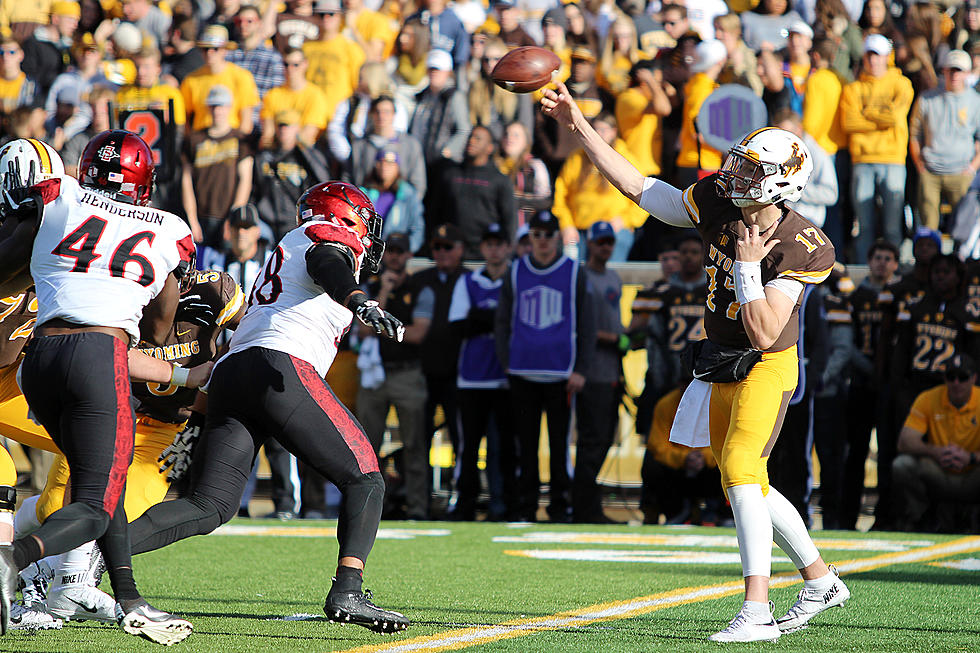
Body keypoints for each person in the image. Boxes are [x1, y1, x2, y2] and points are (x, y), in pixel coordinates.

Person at [541, 81, 847, 641]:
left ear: (783, 184)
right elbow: (640, 188)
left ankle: (757, 611)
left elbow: (762, 330)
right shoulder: (718, 201)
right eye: (740, 164)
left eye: (752, 171)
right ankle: (821, 579)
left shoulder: (805, 244)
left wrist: (749, 268)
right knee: (744, 477)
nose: (736, 176)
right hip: (719, 359)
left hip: (765, 363)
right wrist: (578, 124)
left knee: (737, 470)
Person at [123, 182, 411, 633]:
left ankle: (89, 555)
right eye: (364, 222)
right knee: (366, 477)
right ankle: (348, 591)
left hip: (233, 372)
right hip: (278, 363)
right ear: (342, 217)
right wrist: (360, 301)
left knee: (209, 504)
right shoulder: (324, 238)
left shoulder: (288, 245)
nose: (370, 235)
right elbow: (328, 261)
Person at [0, 130, 205, 643]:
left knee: (100, 485)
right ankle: (13, 560)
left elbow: (7, 265)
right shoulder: (168, 227)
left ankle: (129, 599)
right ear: (146, 182)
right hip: (100, 355)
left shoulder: (60, 197)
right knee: (93, 503)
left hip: (39, 357)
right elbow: (159, 328)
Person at [14, 267, 245, 626]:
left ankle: (52, 577)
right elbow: (104, 355)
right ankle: (43, 573)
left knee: (124, 511)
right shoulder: (115, 294)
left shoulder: (217, 291)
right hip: (113, 407)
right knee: (63, 506)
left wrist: (199, 419)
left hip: (166, 428)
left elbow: (248, 338)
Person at [495, 210, 595, 523]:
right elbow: (502, 320)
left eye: (547, 234)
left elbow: (587, 325)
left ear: (557, 237)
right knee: (525, 444)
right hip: (523, 372)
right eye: (535, 234)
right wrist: (506, 362)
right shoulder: (515, 271)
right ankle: (525, 506)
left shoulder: (573, 271)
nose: (541, 241)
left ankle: (559, 506)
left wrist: (580, 368)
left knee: (558, 445)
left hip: (561, 373)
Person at [356, 232, 432, 520]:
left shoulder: (419, 288)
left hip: (406, 375)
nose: (395, 257)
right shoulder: (373, 287)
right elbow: (363, 329)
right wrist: (384, 295)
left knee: (414, 446)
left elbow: (419, 333)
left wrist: (384, 328)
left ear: (409, 255)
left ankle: (417, 510)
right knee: (366, 447)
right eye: (391, 251)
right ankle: (367, 511)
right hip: (375, 374)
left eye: (401, 251)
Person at [446, 223, 515, 521]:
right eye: (490, 243)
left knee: (503, 449)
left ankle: (502, 505)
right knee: (468, 448)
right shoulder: (469, 281)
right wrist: (498, 319)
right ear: (483, 248)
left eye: (500, 243)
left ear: (507, 247)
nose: (495, 249)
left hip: (505, 378)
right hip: (472, 378)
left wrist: (483, 317)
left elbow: (515, 323)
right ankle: (466, 505)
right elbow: (459, 326)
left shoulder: (515, 279)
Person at [840, 34, 914, 262]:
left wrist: (866, 113)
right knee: (864, 225)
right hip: (862, 160)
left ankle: (894, 271)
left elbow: (894, 118)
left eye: (878, 56)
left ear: (887, 57)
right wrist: (879, 119)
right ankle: (864, 272)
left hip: (893, 158)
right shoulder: (853, 89)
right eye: (869, 56)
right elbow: (848, 123)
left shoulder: (901, 84)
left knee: (892, 224)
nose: (873, 61)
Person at [842, 239, 899, 530]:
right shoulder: (856, 296)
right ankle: (847, 518)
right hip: (861, 381)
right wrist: (866, 368)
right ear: (870, 259)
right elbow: (846, 341)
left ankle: (885, 518)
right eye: (878, 257)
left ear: (896, 264)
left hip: (889, 385)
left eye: (888, 258)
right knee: (856, 452)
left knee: (888, 452)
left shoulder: (900, 295)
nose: (882, 263)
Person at [893, 353, 980, 532]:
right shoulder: (928, 398)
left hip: (973, 474)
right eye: (951, 377)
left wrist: (971, 457)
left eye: (962, 377)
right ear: (944, 378)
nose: (956, 383)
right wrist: (937, 452)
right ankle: (921, 518)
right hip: (940, 471)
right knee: (902, 465)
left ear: (974, 379)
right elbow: (904, 441)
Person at [573, 221, 623, 524]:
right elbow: (582, 328)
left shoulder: (614, 278)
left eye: (609, 242)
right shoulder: (580, 277)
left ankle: (588, 504)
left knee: (603, 439)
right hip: (590, 371)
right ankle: (583, 507)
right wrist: (614, 338)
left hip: (611, 369)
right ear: (588, 244)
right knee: (592, 441)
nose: (605, 247)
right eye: (599, 242)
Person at [551, 111, 645, 262]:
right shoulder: (577, 158)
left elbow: (644, 195)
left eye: (603, 130)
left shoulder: (625, 158)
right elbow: (561, 196)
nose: (598, 134)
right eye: (595, 129)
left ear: (614, 132)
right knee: (574, 268)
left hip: (613, 229)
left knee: (609, 268)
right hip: (579, 228)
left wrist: (624, 221)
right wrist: (566, 225)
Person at [909, 49, 980, 233]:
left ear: (966, 73)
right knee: (928, 228)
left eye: (959, 70)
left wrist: (972, 167)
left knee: (962, 228)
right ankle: (929, 262)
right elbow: (915, 134)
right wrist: (920, 165)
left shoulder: (975, 101)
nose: (954, 75)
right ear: (944, 71)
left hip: (961, 172)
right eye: (951, 70)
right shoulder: (927, 98)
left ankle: (962, 262)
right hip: (931, 171)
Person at [182, 85, 254, 246]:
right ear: (208, 108)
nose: (217, 111)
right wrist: (192, 220)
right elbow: (186, 182)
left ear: (229, 107)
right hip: (200, 216)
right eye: (214, 106)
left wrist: (233, 218)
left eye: (221, 106)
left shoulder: (241, 140)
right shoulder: (194, 139)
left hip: (227, 217)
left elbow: (245, 181)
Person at [431, 126, 516, 258]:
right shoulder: (449, 174)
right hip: (450, 252)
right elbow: (434, 213)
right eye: (470, 137)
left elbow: (509, 220)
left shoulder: (500, 180)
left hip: (485, 253)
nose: (472, 141)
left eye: (478, 138)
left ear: (490, 148)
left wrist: (508, 251)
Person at [251, 109, 328, 243]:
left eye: (288, 126)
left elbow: (323, 180)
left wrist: (304, 150)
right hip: (267, 221)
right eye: (281, 125)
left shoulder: (308, 157)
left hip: (296, 222)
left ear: (297, 128)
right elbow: (255, 189)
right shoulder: (264, 157)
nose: (284, 130)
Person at [180, 25, 260, 135]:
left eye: (215, 49)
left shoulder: (242, 77)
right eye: (205, 49)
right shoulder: (191, 80)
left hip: (231, 139)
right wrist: (191, 143)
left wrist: (240, 144)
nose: (209, 53)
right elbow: (184, 118)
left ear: (224, 50)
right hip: (202, 140)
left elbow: (246, 122)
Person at [409, 48, 470, 167]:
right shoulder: (421, 96)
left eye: (438, 69)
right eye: (431, 69)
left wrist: (448, 151)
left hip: (443, 163)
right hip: (420, 160)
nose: (434, 72)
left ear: (448, 72)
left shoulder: (455, 97)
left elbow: (464, 130)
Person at [260, 46, 329, 147]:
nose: (290, 69)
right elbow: (268, 134)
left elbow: (308, 136)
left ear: (305, 64)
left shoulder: (315, 96)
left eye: (295, 65)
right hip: (278, 149)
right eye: (286, 64)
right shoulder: (272, 94)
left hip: (303, 153)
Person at [359, 148, 425, 253]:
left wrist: (403, 252)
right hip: (367, 254)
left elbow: (417, 229)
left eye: (390, 163)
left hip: (397, 255)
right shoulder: (363, 194)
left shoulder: (408, 195)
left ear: (397, 167)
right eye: (381, 162)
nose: (385, 167)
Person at [497, 121, 551, 229]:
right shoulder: (494, 166)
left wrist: (514, 199)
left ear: (526, 141)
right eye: (506, 134)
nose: (509, 138)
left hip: (525, 230)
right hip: (499, 231)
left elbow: (545, 200)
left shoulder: (535, 166)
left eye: (516, 135)